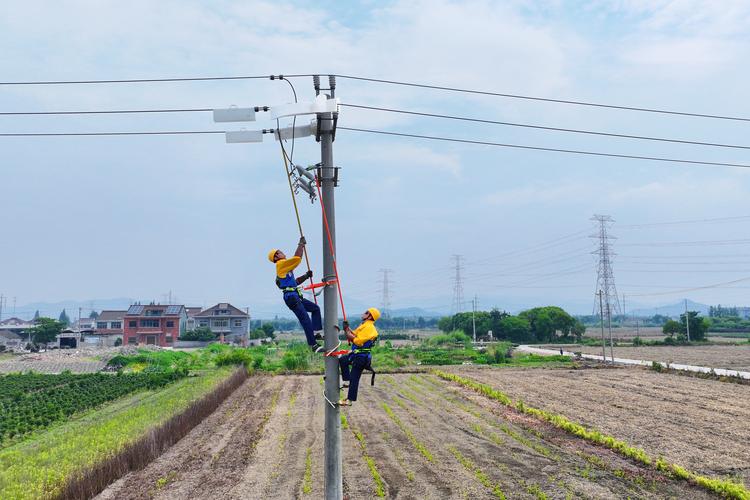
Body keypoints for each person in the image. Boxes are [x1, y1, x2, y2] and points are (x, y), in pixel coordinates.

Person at [268, 237, 323, 351]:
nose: (283, 252)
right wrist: (301, 244)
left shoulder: (285, 267)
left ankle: (316, 332)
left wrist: (306, 276)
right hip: (291, 297)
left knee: (315, 309)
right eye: (280, 252)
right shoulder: (281, 264)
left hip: (295, 295)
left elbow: (295, 282)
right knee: (305, 319)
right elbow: (297, 258)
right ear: (276, 257)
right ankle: (313, 345)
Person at [337, 307, 380, 406]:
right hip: (357, 354)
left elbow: (357, 341)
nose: (363, 313)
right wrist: (347, 328)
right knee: (343, 360)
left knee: (354, 378)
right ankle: (347, 381)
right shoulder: (364, 325)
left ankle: (349, 400)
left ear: (370, 316)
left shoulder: (369, 328)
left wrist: (346, 331)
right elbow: (354, 333)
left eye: (366, 312)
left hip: (361, 357)